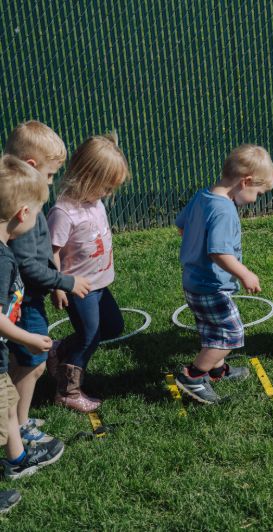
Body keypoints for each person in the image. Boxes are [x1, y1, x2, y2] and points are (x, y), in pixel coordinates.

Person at [4, 121, 91, 444]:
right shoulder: (23, 213)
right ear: (31, 166)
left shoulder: (27, 202)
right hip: (23, 303)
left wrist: (55, 283)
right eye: (52, 174)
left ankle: (16, 418)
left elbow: (41, 256)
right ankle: (18, 423)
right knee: (33, 364)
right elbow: (29, 267)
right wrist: (65, 281)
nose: (53, 182)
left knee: (26, 361)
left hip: (28, 298)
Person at [174, 145, 273, 404]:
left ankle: (218, 370)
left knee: (212, 330)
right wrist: (245, 274)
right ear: (246, 182)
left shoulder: (202, 196)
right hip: (211, 285)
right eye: (258, 193)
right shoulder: (224, 210)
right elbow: (218, 252)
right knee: (231, 334)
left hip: (194, 280)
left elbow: (181, 226)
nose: (256, 199)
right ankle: (193, 376)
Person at [47, 133, 130, 412]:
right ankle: (67, 391)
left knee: (113, 326)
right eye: (105, 187)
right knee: (89, 336)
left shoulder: (94, 202)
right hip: (78, 287)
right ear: (86, 176)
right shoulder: (63, 212)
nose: (107, 193)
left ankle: (60, 351)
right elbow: (52, 252)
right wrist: (59, 285)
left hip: (100, 285)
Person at [0, 154, 65, 511]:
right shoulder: (3, 259)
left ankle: (17, 459)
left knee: (8, 406)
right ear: (23, 213)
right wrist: (27, 338)